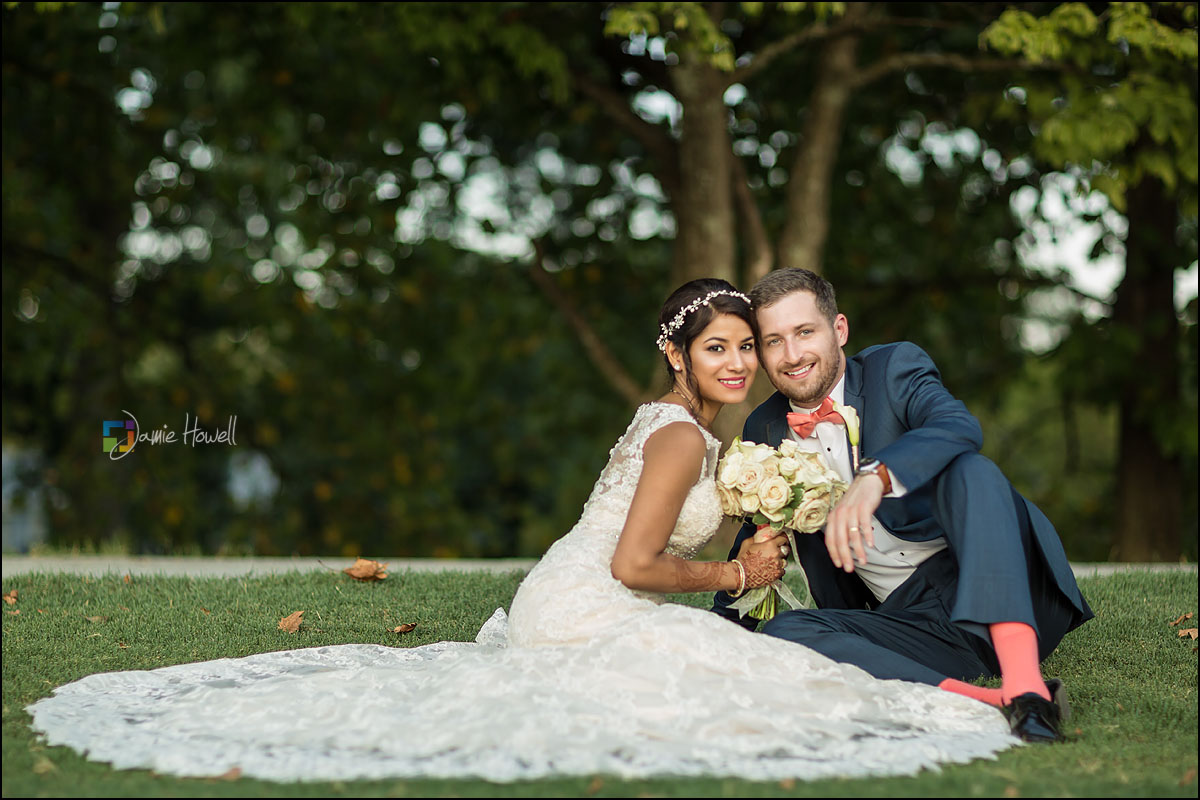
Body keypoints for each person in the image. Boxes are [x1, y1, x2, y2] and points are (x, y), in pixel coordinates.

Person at [27, 279, 1015, 783]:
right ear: (678, 355)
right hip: (594, 598)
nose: (740, 361)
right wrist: (731, 572)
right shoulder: (680, 438)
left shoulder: (703, 437)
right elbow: (633, 561)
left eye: (746, 346)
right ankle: (981, 684)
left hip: (586, 590)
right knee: (750, 683)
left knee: (758, 671)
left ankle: (978, 675)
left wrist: (750, 559)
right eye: (718, 346)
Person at [711, 268, 1094, 744]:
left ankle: (1029, 691)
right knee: (788, 632)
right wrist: (723, 621)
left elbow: (958, 425)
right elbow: (753, 539)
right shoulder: (763, 428)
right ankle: (992, 702)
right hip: (912, 624)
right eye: (774, 341)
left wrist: (877, 476)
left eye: (805, 332)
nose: (793, 356)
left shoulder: (894, 369)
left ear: (839, 329)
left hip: (1000, 584)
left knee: (971, 470)